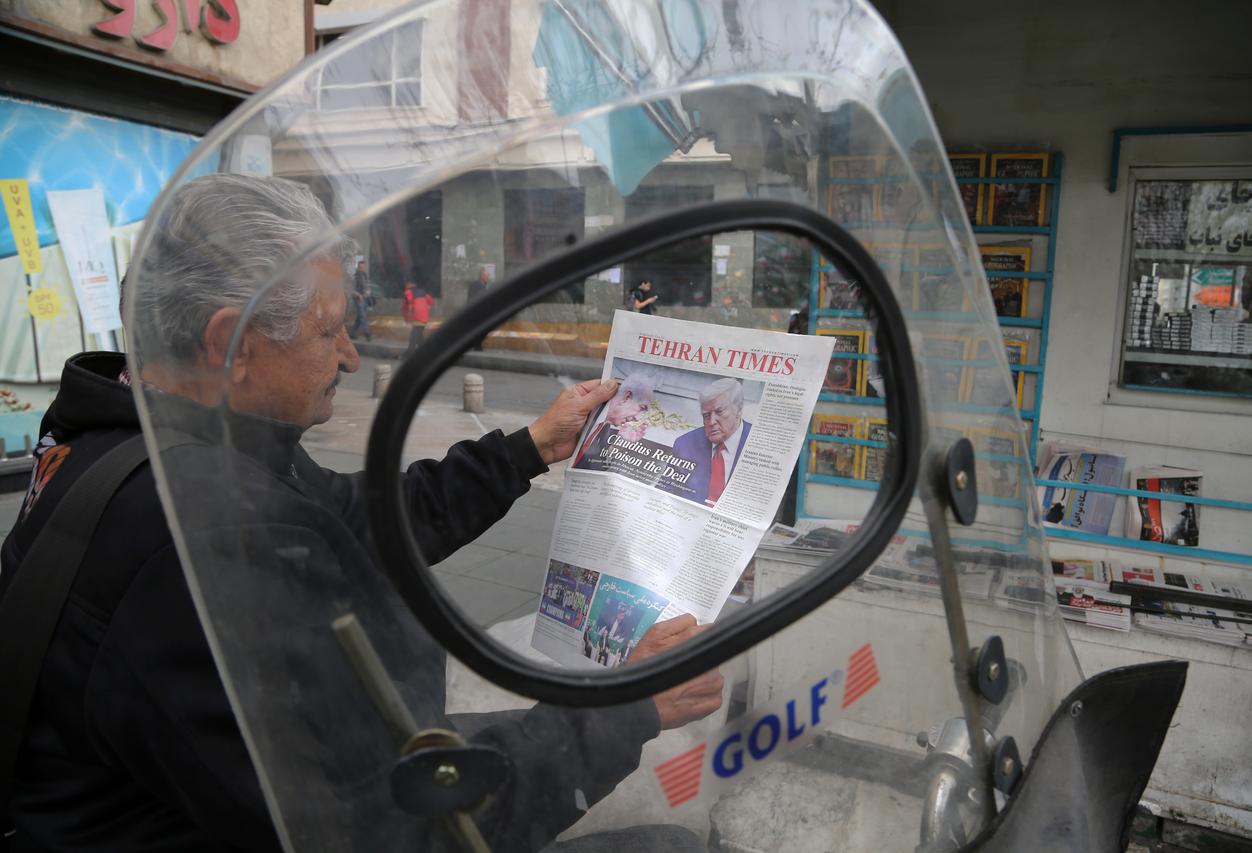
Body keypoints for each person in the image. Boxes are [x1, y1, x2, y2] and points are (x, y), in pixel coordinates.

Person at [0, 174, 722, 853]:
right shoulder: (197, 532)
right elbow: (389, 825)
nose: (349, 356)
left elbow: (348, 520)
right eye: (327, 331)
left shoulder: (152, 435)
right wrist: (624, 709)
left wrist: (526, 450)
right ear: (231, 345)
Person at [660, 378, 753, 506]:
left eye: (719, 411)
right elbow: (665, 491)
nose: (711, 422)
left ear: (739, 410)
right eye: (706, 415)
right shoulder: (685, 444)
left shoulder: (757, 441)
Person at [572, 375, 654, 472]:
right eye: (642, 408)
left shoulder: (604, 429)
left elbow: (592, 468)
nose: (638, 418)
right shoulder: (586, 415)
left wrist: (619, 445)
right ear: (627, 397)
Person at [401, 278, 434, 355]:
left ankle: (408, 354)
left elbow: (407, 306)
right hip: (424, 316)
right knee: (419, 337)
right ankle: (424, 353)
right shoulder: (422, 291)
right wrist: (428, 307)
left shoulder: (407, 292)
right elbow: (430, 301)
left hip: (417, 315)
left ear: (407, 285)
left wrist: (407, 319)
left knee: (413, 336)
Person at [348, 258, 373, 341]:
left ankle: (352, 333)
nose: (361, 269)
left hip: (365, 299)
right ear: (357, 267)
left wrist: (367, 293)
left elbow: (369, 287)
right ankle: (367, 334)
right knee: (363, 316)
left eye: (363, 267)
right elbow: (351, 289)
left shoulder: (365, 275)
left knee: (359, 317)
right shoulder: (355, 276)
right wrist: (358, 295)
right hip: (358, 299)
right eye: (360, 267)